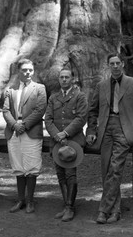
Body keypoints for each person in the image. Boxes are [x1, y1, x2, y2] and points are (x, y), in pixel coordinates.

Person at [86, 53, 133, 224]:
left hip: (124, 129)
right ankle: (116, 210)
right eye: (111, 63)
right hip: (105, 129)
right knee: (106, 170)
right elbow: (92, 110)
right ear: (108, 65)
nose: (115, 66)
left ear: (122, 64)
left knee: (115, 168)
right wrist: (91, 130)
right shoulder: (102, 85)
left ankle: (103, 210)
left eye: (117, 63)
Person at [3, 58, 47, 214]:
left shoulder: (39, 88)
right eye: (24, 70)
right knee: (18, 166)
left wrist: (24, 124)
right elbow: (6, 110)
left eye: (30, 70)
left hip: (31, 131)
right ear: (18, 71)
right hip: (14, 130)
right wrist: (14, 125)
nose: (28, 72)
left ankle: (30, 201)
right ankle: (20, 200)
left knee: (31, 166)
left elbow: (40, 110)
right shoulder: (11, 89)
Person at [45, 68, 88, 222]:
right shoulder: (53, 98)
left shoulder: (79, 96)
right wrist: (57, 135)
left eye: (67, 77)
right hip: (56, 141)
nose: (64, 80)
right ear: (59, 79)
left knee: (70, 174)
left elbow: (81, 118)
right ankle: (65, 205)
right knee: (60, 174)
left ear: (72, 79)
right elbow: (48, 119)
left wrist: (65, 133)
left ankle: (70, 207)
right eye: (61, 77)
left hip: (73, 141)